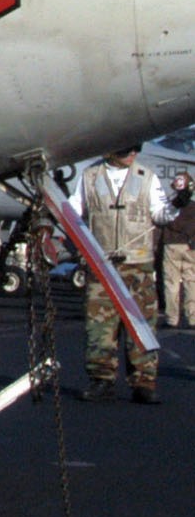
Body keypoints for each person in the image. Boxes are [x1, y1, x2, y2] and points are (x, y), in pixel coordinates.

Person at [79, 145, 173, 403]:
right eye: (125, 149)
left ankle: (144, 382)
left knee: (141, 324)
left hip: (137, 265)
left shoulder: (147, 177)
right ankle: (101, 380)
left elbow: (161, 214)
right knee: (99, 326)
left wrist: (178, 202)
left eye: (136, 148)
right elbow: (76, 213)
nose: (132, 153)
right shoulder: (89, 176)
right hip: (102, 263)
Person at [157, 171, 195, 329]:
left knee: (171, 284)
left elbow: (160, 222)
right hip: (191, 247)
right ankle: (193, 318)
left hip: (171, 245)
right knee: (191, 283)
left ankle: (172, 319)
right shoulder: (194, 207)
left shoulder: (169, 206)